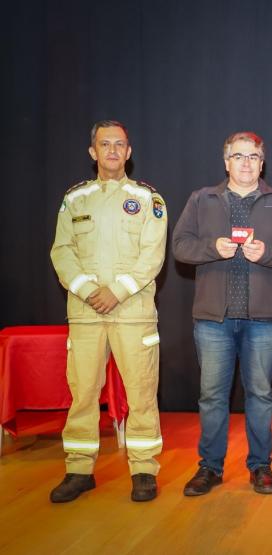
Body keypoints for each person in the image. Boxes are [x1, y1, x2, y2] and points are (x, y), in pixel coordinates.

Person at [173, 132, 272, 496]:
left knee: (260, 395)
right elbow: (180, 246)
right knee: (212, 397)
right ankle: (210, 467)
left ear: (262, 163)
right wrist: (210, 248)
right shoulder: (201, 199)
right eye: (238, 156)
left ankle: (261, 466)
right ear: (226, 162)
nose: (246, 163)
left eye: (253, 156)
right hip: (213, 320)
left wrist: (268, 254)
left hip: (264, 320)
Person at [49, 120, 167, 503]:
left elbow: (152, 256)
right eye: (105, 144)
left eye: (119, 144)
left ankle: (144, 469)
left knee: (142, 392)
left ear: (129, 152)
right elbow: (62, 251)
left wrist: (116, 292)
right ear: (93, 152)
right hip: (85, 313)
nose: (112, 150)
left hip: (133, 311)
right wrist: (87, 291)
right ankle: (79, 470)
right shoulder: (75, 199)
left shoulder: (148, 199)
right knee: (82, 393)